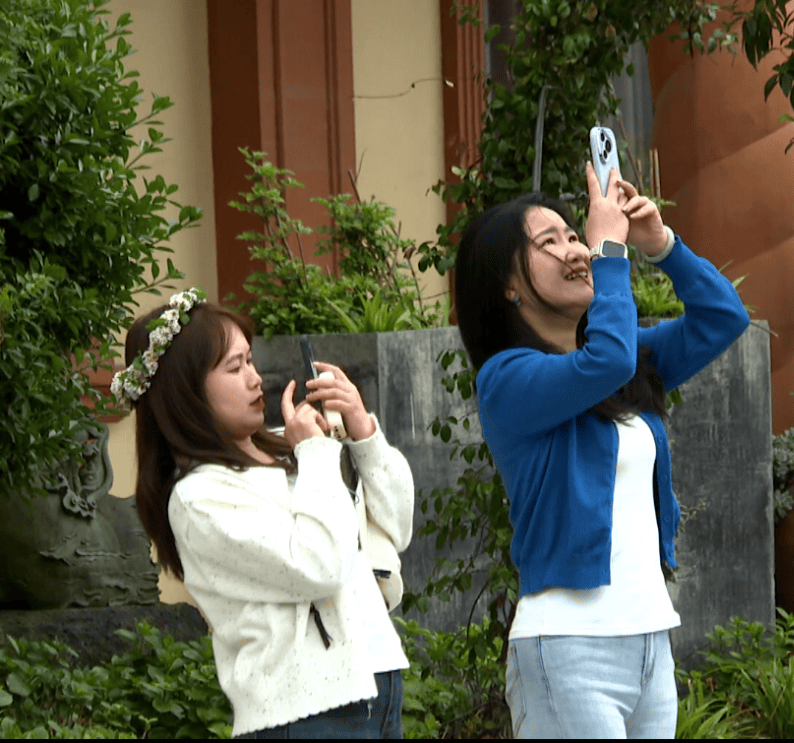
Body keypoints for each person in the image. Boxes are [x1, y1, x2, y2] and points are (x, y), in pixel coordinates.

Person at [453, 163, 750, 738]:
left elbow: (723, 318)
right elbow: (606, 360)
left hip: (649, 642)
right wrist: (610, 249)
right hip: (568, 648)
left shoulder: (621, 362)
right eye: (549, 241)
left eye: (574, 234)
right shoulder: (508, 379)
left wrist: (661, 245)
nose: (575, 249)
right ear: (508, 286)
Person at [113, 289, 414, 739]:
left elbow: (397, 524)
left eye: (250, 361)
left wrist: (362, 430)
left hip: (380, 682)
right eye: (235, 368)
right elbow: (320, 565)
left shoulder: (293, 448)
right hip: (307, 713)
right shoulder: (199, 498)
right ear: (186, 391)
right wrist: (315, 453)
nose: (255, 379)